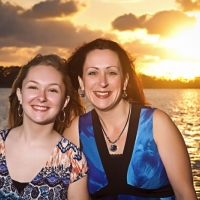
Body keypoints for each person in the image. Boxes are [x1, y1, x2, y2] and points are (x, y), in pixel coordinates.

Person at [63, 38, 197, 200]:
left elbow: (185, 195)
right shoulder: (75, 132)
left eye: (111, 72)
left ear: (125, 80)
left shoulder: (156, 123)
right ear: (81, 82)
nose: (102, 82)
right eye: (93, 73)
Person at [0, 54, 89, 199]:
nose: (42, 97)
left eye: (52, 90)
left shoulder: (73, 160)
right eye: (33, 87)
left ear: (64, 102)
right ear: (20, 94)